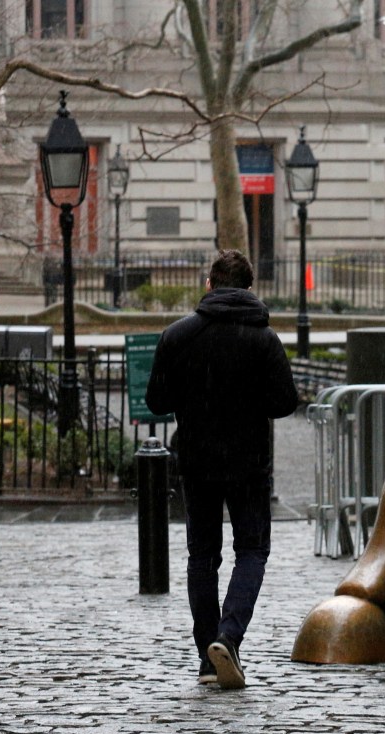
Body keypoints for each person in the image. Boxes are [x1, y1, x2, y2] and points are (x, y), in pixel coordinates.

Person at [146, 249, 298, 689]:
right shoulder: (263, 339)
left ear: (209, 285)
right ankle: (228, 637)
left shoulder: (178, 335)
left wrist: (195, 397)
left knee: (202, 557)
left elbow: (157, 400)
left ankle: (208, 658)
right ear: (249, 288)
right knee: (251, 551)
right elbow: (285, 402)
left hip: (196, 460)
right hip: (249, 462)